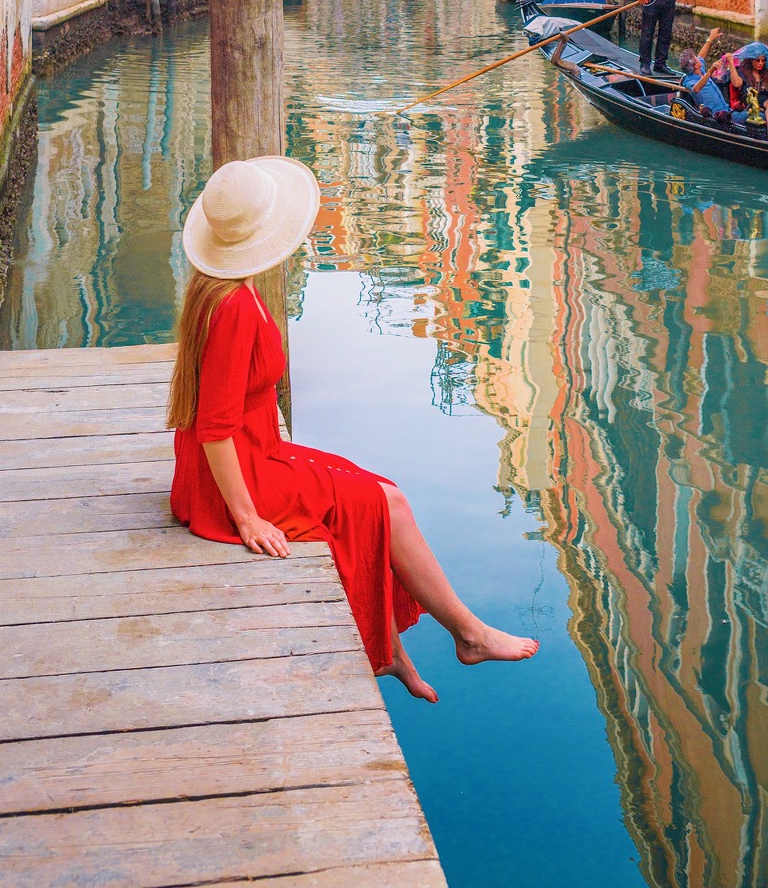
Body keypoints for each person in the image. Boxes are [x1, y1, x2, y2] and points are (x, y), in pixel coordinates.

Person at [168, 157, 538, 703]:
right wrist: (247, 518)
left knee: (374, 491)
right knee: (385, 503)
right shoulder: (236, 308)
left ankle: (394, 652)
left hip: (243, 459)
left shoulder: (212, 287)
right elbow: (215, 429)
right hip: (234, 480)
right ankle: (469, 633)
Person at [726, 43, 768, 138]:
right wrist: (731, 63)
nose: (760, 63)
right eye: (758, 60)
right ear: (751, 61)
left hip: (767, 103)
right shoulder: (743, 72)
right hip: (750, 102)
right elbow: (736, 83)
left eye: (763, 61)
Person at [678, 27, 730, 115]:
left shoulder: (700, 69)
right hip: (715, 117)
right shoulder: (689, 81)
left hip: (726, 110)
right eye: (696, 59)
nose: (698, 58)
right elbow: (696, 89)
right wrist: (710, 72)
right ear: (696, 65)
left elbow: (701, 55)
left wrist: (710, 39)